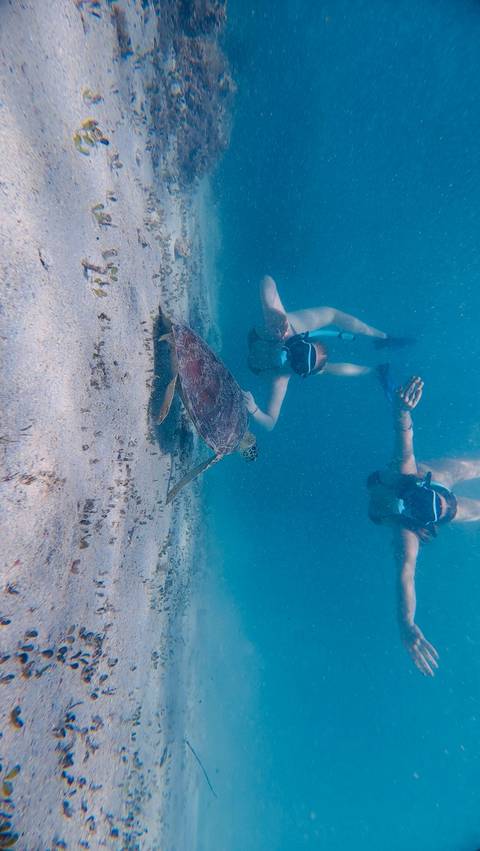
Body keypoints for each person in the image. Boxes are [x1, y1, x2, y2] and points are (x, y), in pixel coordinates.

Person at [367, 375, 480, 677]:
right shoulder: (407, 533)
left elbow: (404, 442)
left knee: (471, 470)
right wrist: (406, 622)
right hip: (441, 497)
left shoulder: (403, 478)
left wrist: (402, 411)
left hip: (437, 483)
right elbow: (405, 576)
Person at [243, 275, 413, 430]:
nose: (287, 358)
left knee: (328, 366)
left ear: (299, 371)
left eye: (295, 364)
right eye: (295, 353)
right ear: (297, 342)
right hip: (296, 327)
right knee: (332, 315)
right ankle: (383, 339)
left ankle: (376, 369)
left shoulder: (279, 379)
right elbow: (267, 281)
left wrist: (254, 409)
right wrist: (273, 311)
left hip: (302, 360)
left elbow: (270, 423)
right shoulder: (281, 327)